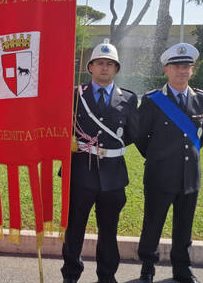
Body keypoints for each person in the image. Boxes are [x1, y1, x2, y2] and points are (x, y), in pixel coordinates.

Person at [61, 39, 139, 283]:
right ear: (90, 67)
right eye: (99, 63)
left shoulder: (127, 98)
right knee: (74, 231)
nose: (104, 68)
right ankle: (71, 275)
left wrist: (104, 149)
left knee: (109, 231)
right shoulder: (75, 95)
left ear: (116, 69)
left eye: (110, 64)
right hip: (80, 173)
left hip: (113, 176)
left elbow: (130, 134)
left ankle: (107, 276)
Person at [135, 43, 203, 283]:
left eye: (187, 66)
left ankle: (182, 268)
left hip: (189, 175)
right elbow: (139, 136)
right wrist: (159, 157)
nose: (182, 70)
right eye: (176, 66)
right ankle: (147, 267)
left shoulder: (202, 100)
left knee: (184, 226)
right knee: (153, 224)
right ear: (166, 70)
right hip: (160, 175)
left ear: (192, 70)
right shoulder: (152, 100)